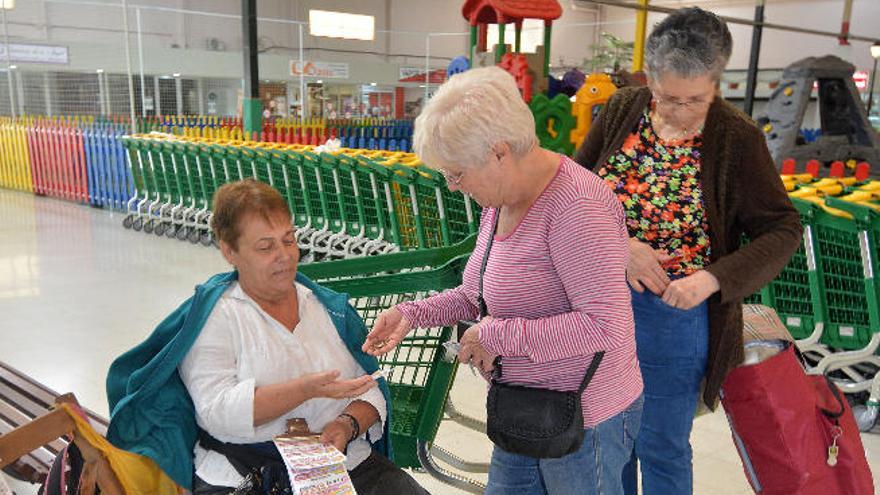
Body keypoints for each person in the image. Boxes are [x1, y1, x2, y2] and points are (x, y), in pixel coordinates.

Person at [362, 66, 644, 494]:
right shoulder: (501, 200)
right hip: (524, 406)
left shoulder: (578, 208)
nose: (454, 188)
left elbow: (605, 325)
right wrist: (411, 314)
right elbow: (478, 293)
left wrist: (498, 336)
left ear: (498, 152)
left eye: (457, 174)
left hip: (585, 419)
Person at [573, 7, 802, 495]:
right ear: (650, 80)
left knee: (661, 444)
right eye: (668, 97)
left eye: (695, 99)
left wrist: (712, 279)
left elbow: (782, 229)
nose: (679, 112)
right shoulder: (621, 110)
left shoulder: (737, 138)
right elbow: (573, 196)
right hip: (599, 305)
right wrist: (620, 246)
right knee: (606, 440)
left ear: (717, 82)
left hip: (675, 316)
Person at [106, 179, 428, 495]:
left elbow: (370, 390)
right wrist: (304, 389)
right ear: (230, 251)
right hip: (244, 475)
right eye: (265, 246)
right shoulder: (217, 317)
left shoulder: (325, 309)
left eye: (288, 240)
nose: (285, 255)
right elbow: (218, 413)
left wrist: (346, 424)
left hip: (341, 466)